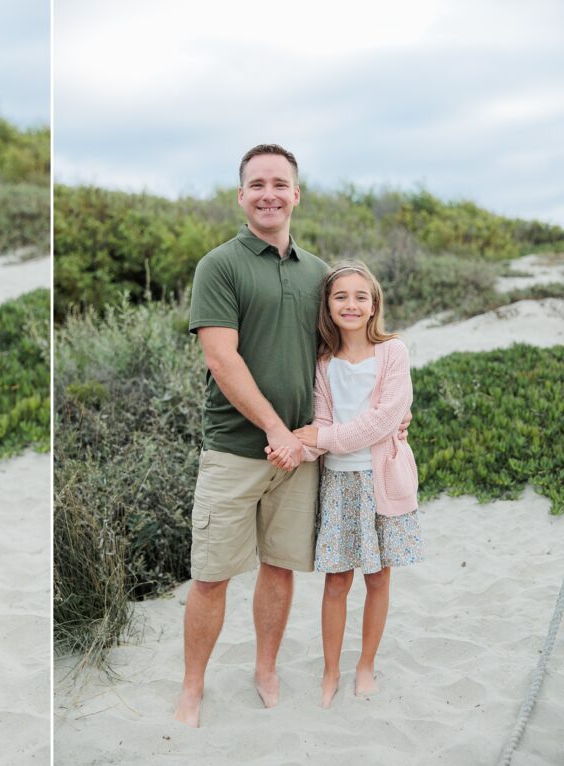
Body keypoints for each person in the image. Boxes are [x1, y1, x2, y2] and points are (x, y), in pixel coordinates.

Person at [174, 144, 331, 727]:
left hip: (300, 456)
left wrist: (389, 407)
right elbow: (221, 358)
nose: (269, 193)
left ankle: (266, 668)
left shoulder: (320, 272)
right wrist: (275, 430)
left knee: (281, 568)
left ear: (296, 194)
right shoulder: (220, 265)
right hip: (235, 452)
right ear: (241, 195)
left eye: (280, 183)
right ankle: (192, 687)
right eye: (257, 183)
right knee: (211, 577)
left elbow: (338, 357)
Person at [268, 261, 423, 708]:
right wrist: (297, 446)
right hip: (339, 486)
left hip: (382, 481)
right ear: (328, 306)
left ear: (374, 304)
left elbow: (383, 420)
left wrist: (323, 438)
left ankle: (366, 666)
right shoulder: (323, 362)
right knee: (336, 582)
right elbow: (322, 424)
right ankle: (331, 670)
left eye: (361, 296)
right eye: (341, 297)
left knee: (378, 577)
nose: (351, 304)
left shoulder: (393, 352)